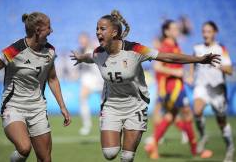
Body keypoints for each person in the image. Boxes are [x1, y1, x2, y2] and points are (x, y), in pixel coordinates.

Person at [70, 10, 220, 162]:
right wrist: (80, 58)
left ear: (114, 32)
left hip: (135, 107)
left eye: (102, 29)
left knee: (127, 158)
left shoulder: (135, 50)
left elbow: (166, 56)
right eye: (97, 29)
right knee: (110, 153)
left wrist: (198, 59)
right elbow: (90, 57)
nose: (97, 32)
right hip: (111, 107)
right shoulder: (98, 53)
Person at [0, 12, 71, 162]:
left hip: (38, 109)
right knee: (24, 147)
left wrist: (62, 106)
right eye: (49, 27)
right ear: (37, 31)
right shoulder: (15, 50)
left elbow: (53, 79)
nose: (52, 31)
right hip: (14, 107)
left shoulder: (50, 51)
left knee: (45, 159)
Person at [144, 20, 204, 159]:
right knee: (186, 115)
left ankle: (153, 145)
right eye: (174, 28)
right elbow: (158, 67)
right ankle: (195, 151)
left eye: (177, 28)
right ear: (167, 32)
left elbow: (180, 64)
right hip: (172, 88)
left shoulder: (175, 45)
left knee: (170, 116)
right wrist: (176, 73)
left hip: (177, 86)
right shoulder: (165, 47)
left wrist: (187, 75)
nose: (177, 30)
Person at [189, 21, 234, 162]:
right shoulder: (197, 48)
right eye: (204, 31)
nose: (205, 34)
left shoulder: (221, 48)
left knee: (222, 122)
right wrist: (190, 75)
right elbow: (192, 61)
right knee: (196, 111)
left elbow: (229, 70)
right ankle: (203, 136)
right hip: (201, 86)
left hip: (217, 90)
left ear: (215, 32)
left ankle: (230, 148)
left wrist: (216, 64)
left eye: (208, 31)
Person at [77, 32, 103, 135]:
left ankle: (104, 122)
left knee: (104, 102)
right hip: (88, 78)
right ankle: (87, 125)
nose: (81, 42)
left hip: (99, 78)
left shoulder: (94, 47)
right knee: (82, 98)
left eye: (83, 39)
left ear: (87, 39)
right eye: (80, 40)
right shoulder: (80, 50)